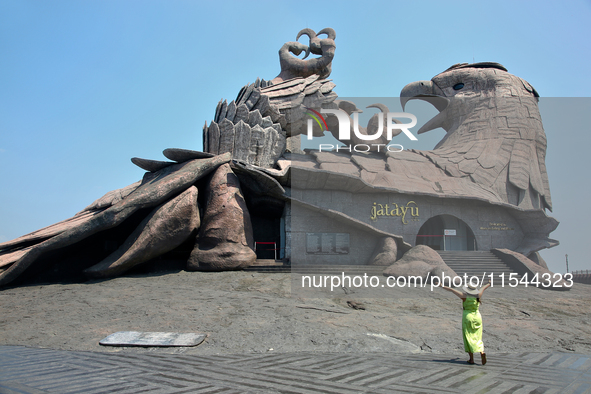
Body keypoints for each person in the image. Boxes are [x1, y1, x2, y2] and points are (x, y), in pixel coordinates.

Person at [440, 281, 491, 365]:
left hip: (468, 317)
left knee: (468, 337)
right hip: (477, 316)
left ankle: (471, 359)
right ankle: (481, 351)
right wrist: (489, 283)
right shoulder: (478, 295)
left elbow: (452, 290)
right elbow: (484, 288)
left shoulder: (464, 296)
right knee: (478, 336)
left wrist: (442, 286)